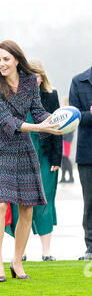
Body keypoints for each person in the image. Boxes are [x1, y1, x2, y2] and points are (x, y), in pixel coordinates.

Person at [0, 40, 62, 281]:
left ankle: (17, 262)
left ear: (16, 59)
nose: (1, 63)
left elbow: (38, 111)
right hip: (0, 146)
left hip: (24, 148)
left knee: (27, 208)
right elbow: (7, 121)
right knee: (1, 204)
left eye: (5, 59)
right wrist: (39, 127)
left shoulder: (29, 82)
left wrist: (58, 120)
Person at [5, 60, 62, 261]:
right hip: (18, 156)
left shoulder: (50, 95)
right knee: (18, 201)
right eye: (29, 75)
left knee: (45, 199)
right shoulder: (12, 96)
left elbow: (58, 128)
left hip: (45, 156)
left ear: (42, 77)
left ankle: (46, 252)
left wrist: (57, 158)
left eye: (36, 75)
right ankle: (21, 251)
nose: (33, 79)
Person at [69, 66, 92, 260]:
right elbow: (73, 117)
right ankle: (91, 247)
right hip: (88, 154)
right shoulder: (79, 81)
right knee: (90, 202)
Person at [59, 96, 74, 183]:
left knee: (66, 158)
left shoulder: (69, 113)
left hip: (66, 139)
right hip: (64, 139)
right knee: (64, 159)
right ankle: (64, 177)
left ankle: (71, 177)